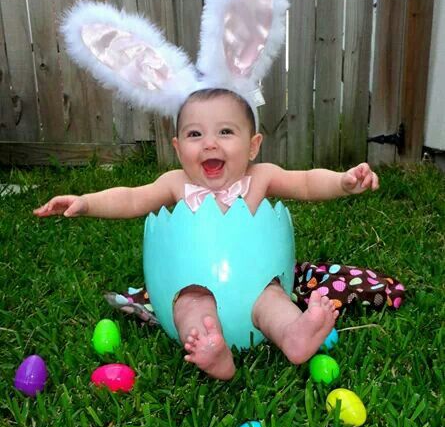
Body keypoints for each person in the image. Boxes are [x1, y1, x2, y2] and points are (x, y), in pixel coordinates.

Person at [34, 87, 379, 380]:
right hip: (193, 288)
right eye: (195, 134)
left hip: (257, 286)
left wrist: (342, 182)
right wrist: (86, 202)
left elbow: (305, 181)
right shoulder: (175, 183)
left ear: (253, 145)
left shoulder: (262, 177)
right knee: (189, 307)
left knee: (273, 300)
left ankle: (294, 335)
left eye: (225, 132)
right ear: (177, 146)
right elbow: (132, 197)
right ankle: (215, 354)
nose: (209, 144)